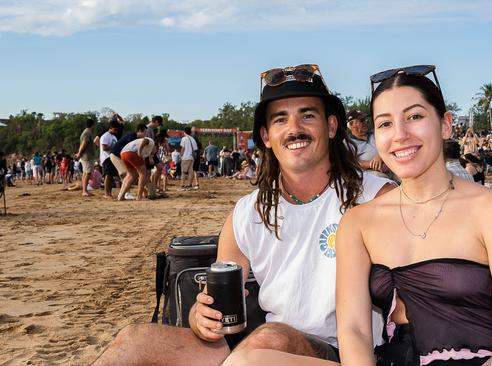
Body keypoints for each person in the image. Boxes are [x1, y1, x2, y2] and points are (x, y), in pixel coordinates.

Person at [225, 65, 492, 366]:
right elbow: (355, 332)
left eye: (414, 116)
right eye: (386, 124)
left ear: (445, 124)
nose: (401, 134)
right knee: (246, 360)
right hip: (388, 359)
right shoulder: (361, 220)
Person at [93, 64, 393, 366]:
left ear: (330, 126)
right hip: (261, 349)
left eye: (307, 115)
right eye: (280, 119)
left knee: (270, 339)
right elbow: (214, 304)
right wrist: (201, 317)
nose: (294, 128)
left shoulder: (374, 198)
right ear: (265, 136)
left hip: (345, 351)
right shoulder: (248, 212)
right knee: (132, 343)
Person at [346, 110, 390, 178]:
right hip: (370, 172)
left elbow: (389, 145)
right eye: (362, 120)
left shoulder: (375, 133)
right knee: (380, 178)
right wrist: (373, 165)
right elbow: (351, 162)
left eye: (365, 119)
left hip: (390, 164)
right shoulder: (348, 142)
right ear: (351, 125)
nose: (366, 122)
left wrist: (379, 156)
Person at [70, 118, 97, 197]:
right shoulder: (87, 133)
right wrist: (79, 154)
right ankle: (84, 191)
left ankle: (84, 190)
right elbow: (84, 144)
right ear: (93, 125)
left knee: (85, 173)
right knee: (87, 173)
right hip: (87, 156)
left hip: (86, 155)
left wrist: (79, 153)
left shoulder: (86, 132)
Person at [99, 120, 120, 199]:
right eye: (115, 129)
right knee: (107, 175)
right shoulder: (105, 136)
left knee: (111, 176)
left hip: (112, 157)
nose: (116, 131)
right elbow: (104, 147)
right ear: (110, 128)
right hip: (106, 158)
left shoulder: (114, 137)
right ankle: (106, 193)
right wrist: (114, 148)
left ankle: (109, 193)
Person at [179, 127, 197, 191]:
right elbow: (195, 149)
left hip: (185, 157)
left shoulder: (184, 138)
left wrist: (180, 156)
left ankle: (182, 185)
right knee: (190, 172)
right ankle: (189, 185)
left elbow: (183, 148)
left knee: (183, 172)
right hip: (191, 157)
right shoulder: (193, 139)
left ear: (184, 132)